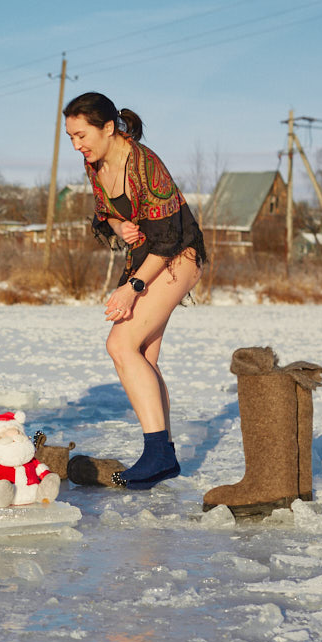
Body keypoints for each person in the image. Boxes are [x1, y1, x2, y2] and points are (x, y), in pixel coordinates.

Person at [62, 92, 207, 491]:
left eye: (81, 135)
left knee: (120, 344)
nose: (76, 145)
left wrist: (133, 287)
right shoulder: (94, 164)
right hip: (146, 257)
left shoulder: (146, 165)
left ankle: (158, 453)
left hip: (178, 256)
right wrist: (118, 225)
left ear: (109, 127)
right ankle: (163, 457)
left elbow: (169, 238)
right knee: (142, 355)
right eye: (71, 137)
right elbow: (104, 213)